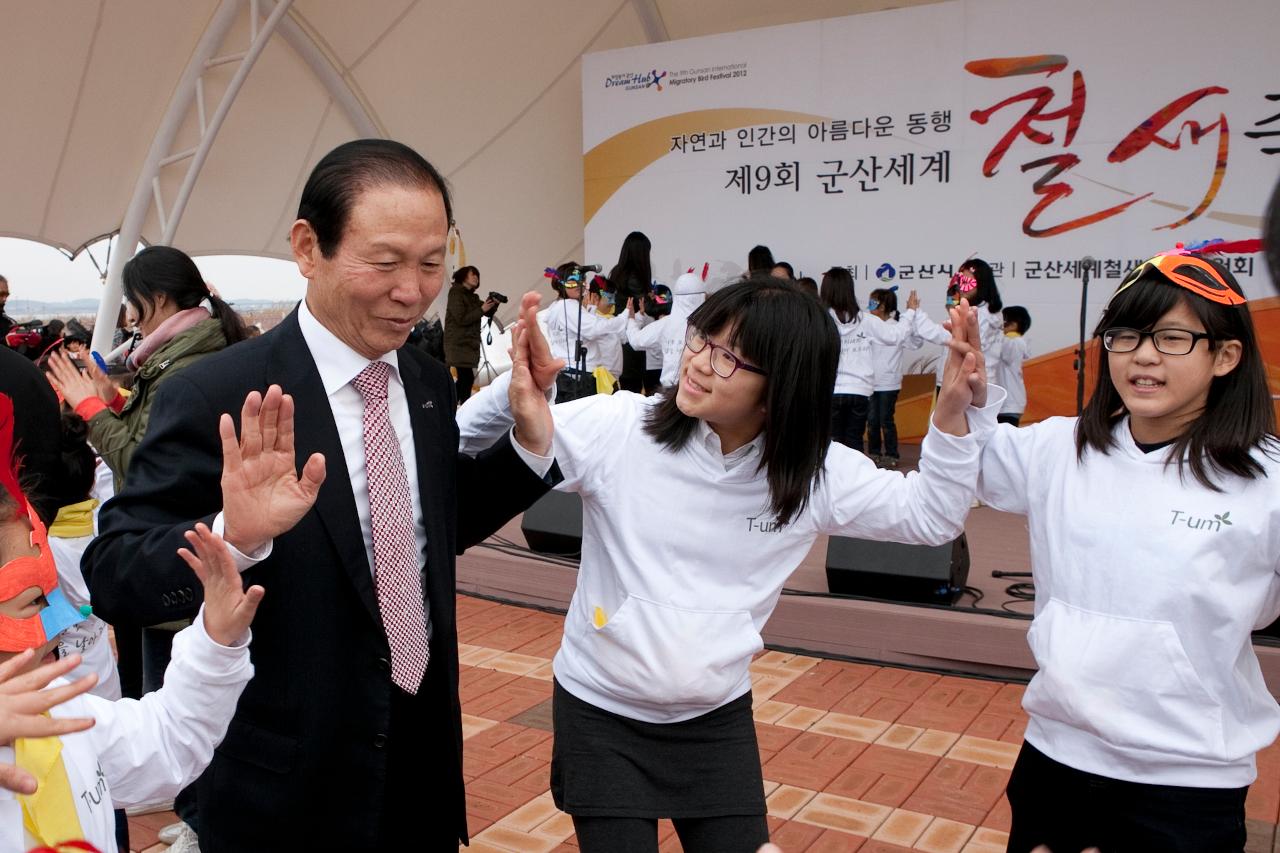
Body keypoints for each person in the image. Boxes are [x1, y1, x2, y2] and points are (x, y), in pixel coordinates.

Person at [81, 138, 559, 851]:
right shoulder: (217, 394)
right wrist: (232, 538)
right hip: (280, 791)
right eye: (387, 261)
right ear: (308, 248)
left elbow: (427, 526)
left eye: (432, 263)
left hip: (418, 770)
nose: (413, 289)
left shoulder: (423, 381)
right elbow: (115, 573)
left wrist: (529, 440)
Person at [459, 275, 1000, 853]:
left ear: (781, 388)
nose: (696, 363)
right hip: (601, 706)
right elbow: (460, 439)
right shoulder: (622, 428)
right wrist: (520, 389)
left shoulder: (814, 473)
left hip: (713, 714)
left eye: (727, 358)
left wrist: (951, 413)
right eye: (700, 340)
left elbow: (931, 518)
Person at [975, 255, 1279, 853]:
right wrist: (959, 395)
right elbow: (956, 466)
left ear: (1225, 355)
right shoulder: (1057, 449)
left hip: (1188, 784)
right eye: (1127, 336)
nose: (1143, 356)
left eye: (1172, 338)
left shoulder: (1267, 478)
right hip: (1056, 759)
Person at [0, 390, 262, 853]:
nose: (55, 624)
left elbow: (167, 739)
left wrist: (215, 639)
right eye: (31, 602)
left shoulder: (65, 713)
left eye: (48, 597)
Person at [820, 267, 920, 454]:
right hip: (859, 391)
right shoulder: (866, 320)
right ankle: (854, 481)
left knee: (832, 445)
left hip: (831, 391)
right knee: (854, 442)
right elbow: (896, 335)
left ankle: (833, 482)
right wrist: (911, 312)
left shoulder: (819, 321)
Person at [912, 258, 1005, 390]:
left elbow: (952, 339)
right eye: (959, 280)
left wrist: (916, 313)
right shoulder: (975, 311)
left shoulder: (981, 314)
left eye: (967, 282)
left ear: (982, 284)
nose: (961, 287)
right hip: (957, 381)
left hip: (968, 385)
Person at [867, 287, 923, 468]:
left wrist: (912, 321)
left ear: (883, 306)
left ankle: (892, 454)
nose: (869, 306)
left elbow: (916, 343)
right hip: (869, 383)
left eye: (873, 303)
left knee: (886, 420)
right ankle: (874, 453)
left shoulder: (897, 327)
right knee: (872, 420)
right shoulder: (869, 325)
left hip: (889, 384)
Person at [626, 269, 707, 388]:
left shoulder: (666, 324)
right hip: (698, 391)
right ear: (702, 297)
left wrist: (631, 320)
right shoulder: (711, 325)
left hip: (669, 392)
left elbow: (635, 341)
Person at [607, 231, 654, 393]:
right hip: (632, 338)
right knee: (636, 389)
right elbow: (647, 307)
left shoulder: (616, 272)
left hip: (620, 339)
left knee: (626, 389)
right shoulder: (636, 277)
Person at [443, 265, 497, 404]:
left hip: (469, 344)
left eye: (477, 276)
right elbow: (461, 318)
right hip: (458, 344)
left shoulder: (473, 297)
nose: (476, 278)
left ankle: (453, 405)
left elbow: (486, 312)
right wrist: (482, 308)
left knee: (466, 379)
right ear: (463, 276)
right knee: (466, 379)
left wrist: (494, 304)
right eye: (472, 274)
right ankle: (458, 406)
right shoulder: (455, 293)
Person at [997, 306, 1032, 426]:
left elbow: (1008, 355)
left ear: (1013, 325)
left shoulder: (1012, 341)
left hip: (1008, 404)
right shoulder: (1015, 341)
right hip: (1009, 403)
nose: (1000, 326)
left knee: (1004, 440)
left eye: (1003, 322)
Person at [0, 276, 12, 341]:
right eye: (1, 294)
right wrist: (6, 340)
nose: (5, 299)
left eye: (7, 295)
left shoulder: (6, 322)